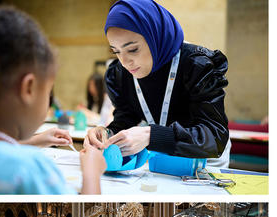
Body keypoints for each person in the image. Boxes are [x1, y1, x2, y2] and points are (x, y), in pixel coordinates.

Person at [0, 6, 106, 194]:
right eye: (48, 92)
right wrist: (92, 173)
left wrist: (35, 141)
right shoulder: (29, 168)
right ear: (28, 88)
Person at [86, 0, 231, 168]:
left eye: (132, 49)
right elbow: (126, 119)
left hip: (203, 161)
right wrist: (106, 133)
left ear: (155, 36)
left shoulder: (195, 64)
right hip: (161, 158)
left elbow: (214, 136)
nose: (125, 61)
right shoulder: (119, 74)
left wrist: (151, 136)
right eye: (116, 51)